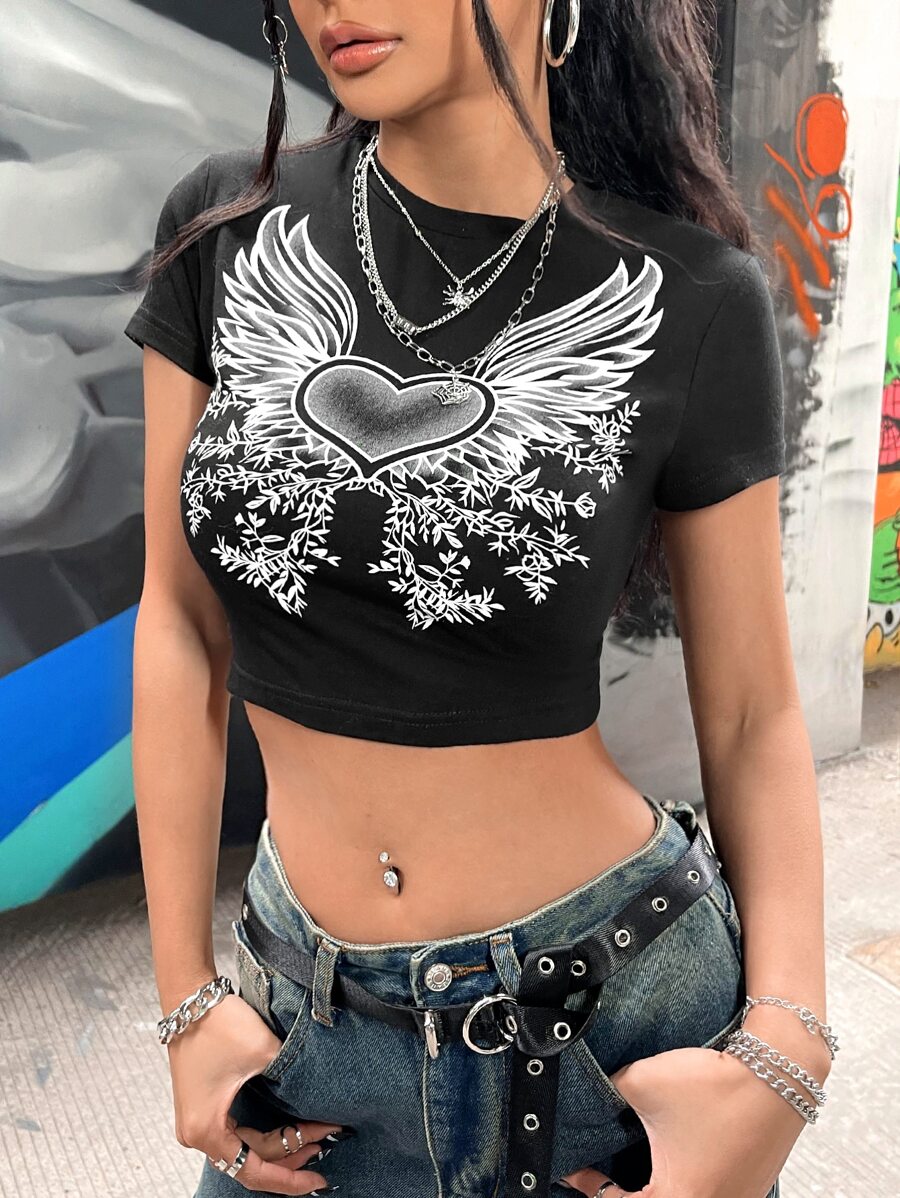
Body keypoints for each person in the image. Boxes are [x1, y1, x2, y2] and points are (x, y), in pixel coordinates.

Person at [124, 3, 839, 1197]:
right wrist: (184, 999)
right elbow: (180, 625)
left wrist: (787, 1046)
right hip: (307, 1024)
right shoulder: (227, 230)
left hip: (606, 1020)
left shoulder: (693, 296)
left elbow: (753, 714)